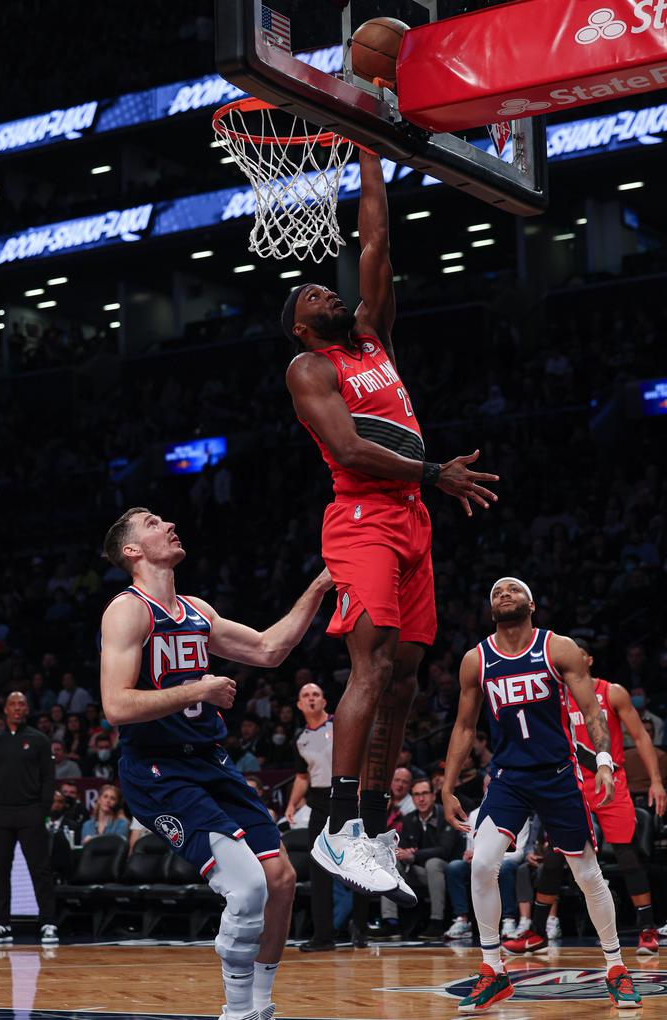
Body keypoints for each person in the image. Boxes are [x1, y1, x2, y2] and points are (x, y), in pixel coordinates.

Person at [284, 148, 499, 897]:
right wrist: (436, 472)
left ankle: (373, 826)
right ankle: (336, 826)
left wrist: (369, 146)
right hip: (364, 519)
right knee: (369, 668)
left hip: (411, 520)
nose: (324, 292)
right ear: (302, 330)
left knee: (406, 680)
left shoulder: (372, 335)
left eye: (323, 286)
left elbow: (376, 240)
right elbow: (349, 447)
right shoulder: (310, 370)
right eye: (311, 295)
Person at [99, 507, 333, 1020]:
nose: (167, 523)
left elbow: (270, 649)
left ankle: (260, 1006)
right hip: (157, 769)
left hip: (210, 760)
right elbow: (116, 705)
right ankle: (233, 1011)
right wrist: (201, 686)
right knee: (247, 886)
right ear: (133, 551)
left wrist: (320, 584)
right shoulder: (127, 610)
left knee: (281, 882)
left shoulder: (197, 610)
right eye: (152, 522)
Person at [442, 578, 642, 1012]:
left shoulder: (558, 648)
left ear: (531, 603)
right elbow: (463, 727)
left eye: (512, 589)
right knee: (481, 866)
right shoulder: (476, 660)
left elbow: (591, 709)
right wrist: (447, 783)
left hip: (557, 773)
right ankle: (493, 970)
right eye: (495, 592)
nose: (503, 594)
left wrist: (604, 760)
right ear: (490, 609)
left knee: (588, 875)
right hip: (509, 777)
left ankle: (615, 966)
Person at [508, 637, 667, 956]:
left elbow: (641, 737)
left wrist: (656, 781)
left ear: (588, 660)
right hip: (570, 781)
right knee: (555, 855)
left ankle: (647, 930)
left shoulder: (613, 692)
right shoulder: (555, 696)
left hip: (610, 778)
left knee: (626, 852)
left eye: (576, 655)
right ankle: (538, 931)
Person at [0, 691, 59, 946]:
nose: (17, 708)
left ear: (27, 709)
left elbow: (49, 778)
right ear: (5, 709)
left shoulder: (38, 740)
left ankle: (48, 922)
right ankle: (1, 924)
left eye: (22, 704)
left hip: (30, 812)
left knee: (40, 870)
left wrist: (43, 809)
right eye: (13, 704)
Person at [285, 682, 338, 953]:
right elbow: (302, 777)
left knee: (358, 865)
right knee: (319, 869)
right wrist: (292, 804)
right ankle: (323, 937)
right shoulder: (300, 738)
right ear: (299, 705)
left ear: (324, 701)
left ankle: (362, 931)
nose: (312, 698)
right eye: (306, 695)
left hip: (344, 795)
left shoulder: (338, 725)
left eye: (316, 694)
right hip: (317, 800)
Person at [444, 777, 529, 941]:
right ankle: (462, 920)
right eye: (488, 786)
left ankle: (508, 919)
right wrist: (470, 854)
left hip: (507, 860)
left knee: (503, 867)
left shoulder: (518, 811)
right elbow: (470, 849)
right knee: (455, 867)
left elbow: (519, 852)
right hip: (480, 860)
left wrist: (490, 856)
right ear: (483, 788)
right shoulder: (475, 814)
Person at [380, 776, 464, 941]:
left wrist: (414, 854)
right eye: (416, 794)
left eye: (425, 793)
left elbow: (444, 850)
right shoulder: (409, 819)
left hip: (445, 872)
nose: (421, 798)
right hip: (418, 871)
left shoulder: (446, 815)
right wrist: (400, 854)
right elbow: (402, 848)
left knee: (433, 864)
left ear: (434, 795)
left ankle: (437, 921)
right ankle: (390, 923)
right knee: (390, 863)